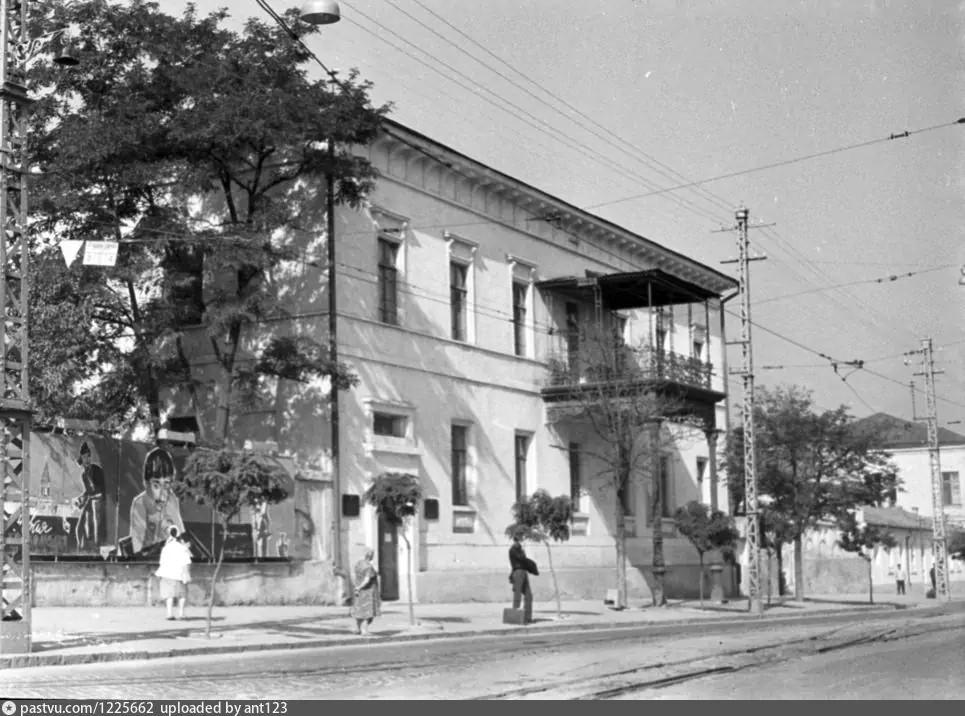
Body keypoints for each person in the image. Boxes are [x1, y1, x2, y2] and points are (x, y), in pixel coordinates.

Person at [129, 446, 184, 554]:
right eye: (156, 485)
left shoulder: (171, 499)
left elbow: (181, 535)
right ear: (146, 483)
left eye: (166, 484)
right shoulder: (140, 504)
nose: (162, 494)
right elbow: (137, 549)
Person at [73, 441, 106, 550]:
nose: (87, 459)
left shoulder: (96, 470)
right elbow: (88, 491)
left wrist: (89, 497)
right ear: (81, 458)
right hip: (90, 500)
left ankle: (97, 547)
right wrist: (81, 499)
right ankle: (80, 548)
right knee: (79, 526)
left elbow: (101, 488)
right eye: (85, 457)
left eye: (89, 456)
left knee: (96, 525)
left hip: (98, 500)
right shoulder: (84, 475)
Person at [155, 525, 192, 620]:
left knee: (169, 595)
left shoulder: (166, 547)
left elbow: (161, 562)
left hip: (167, 574)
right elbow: (187, 562)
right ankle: (181, 614)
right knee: (182, 595)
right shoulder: (182, 548)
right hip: (180, 574)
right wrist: (186, 573)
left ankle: (169, 614)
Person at [350, 549, 381, 636]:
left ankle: (357, 628)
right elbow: (367, 580)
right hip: (368, 592)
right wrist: (360, 587)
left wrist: (356, 587)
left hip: (358, 592)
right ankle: (364, 630)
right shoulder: (368, 567)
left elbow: (353, 575)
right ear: (370, 555)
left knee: (359, 611)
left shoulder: (358, 564)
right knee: (368, 613)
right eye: (373, 554)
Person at [509, 537, 533, 623]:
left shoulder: (520, 549)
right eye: (517, 540)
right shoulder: (513, 550)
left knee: (529, 595)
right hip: (518, 572)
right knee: (517, 595)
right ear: (515, 541)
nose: (519, 542)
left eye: (520, 540)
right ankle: (515, 617)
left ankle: (527, 616)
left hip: (524, 572)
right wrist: (523, 551)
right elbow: (521, 558)